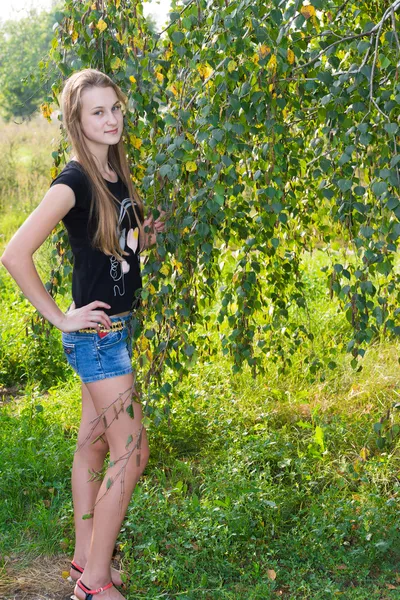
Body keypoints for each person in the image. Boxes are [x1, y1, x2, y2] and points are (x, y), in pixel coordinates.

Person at [1, 68, 165, 600]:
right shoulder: (72, 181)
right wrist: (61, 316)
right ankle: (95, 585)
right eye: (98, 112)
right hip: (98, 336)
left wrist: (140, 240)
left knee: (93, 445)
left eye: (115, 108)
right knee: (132, 451)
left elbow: (113, 249)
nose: (111, 119)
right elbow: (14, 253)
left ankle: (82, 559)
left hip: (114, 327)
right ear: (77, 120)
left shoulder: (115, 173)